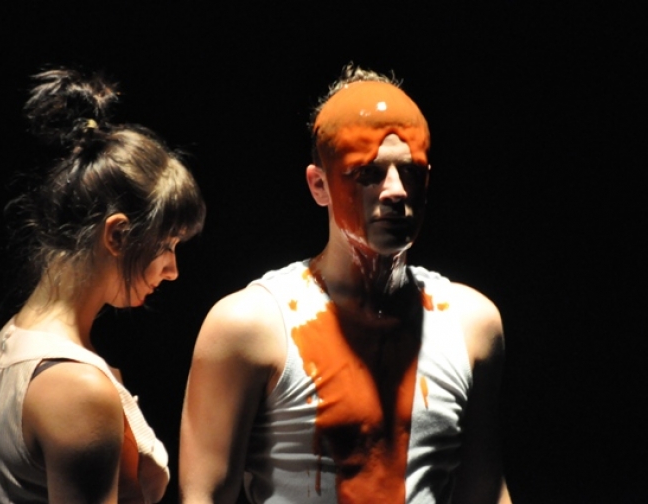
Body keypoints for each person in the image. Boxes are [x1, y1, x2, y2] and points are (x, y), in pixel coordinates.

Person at [179, 65, 511, 504]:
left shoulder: (472, 326)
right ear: (319, 185)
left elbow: (486, 491)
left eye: (410, 171)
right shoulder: (251, 326)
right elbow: (201, 495)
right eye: (367, 172)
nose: (395, 191)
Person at [0, 68, 205, 504]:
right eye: (167, 246)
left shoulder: (11, 340)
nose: (173, 270)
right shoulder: (74, 387)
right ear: (117, 235)